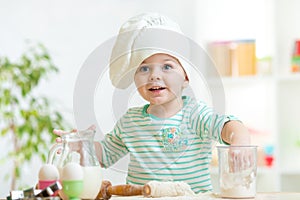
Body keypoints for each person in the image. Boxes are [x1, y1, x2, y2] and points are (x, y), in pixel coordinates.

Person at [54, 13, 251, 194]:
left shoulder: (196, 114)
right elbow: (105, 154)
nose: (154, 76)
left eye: (167, 66)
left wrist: (240, 142)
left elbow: (229, 126)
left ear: (185, 78)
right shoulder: (130, 121)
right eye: (144, 69)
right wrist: (82, 146)